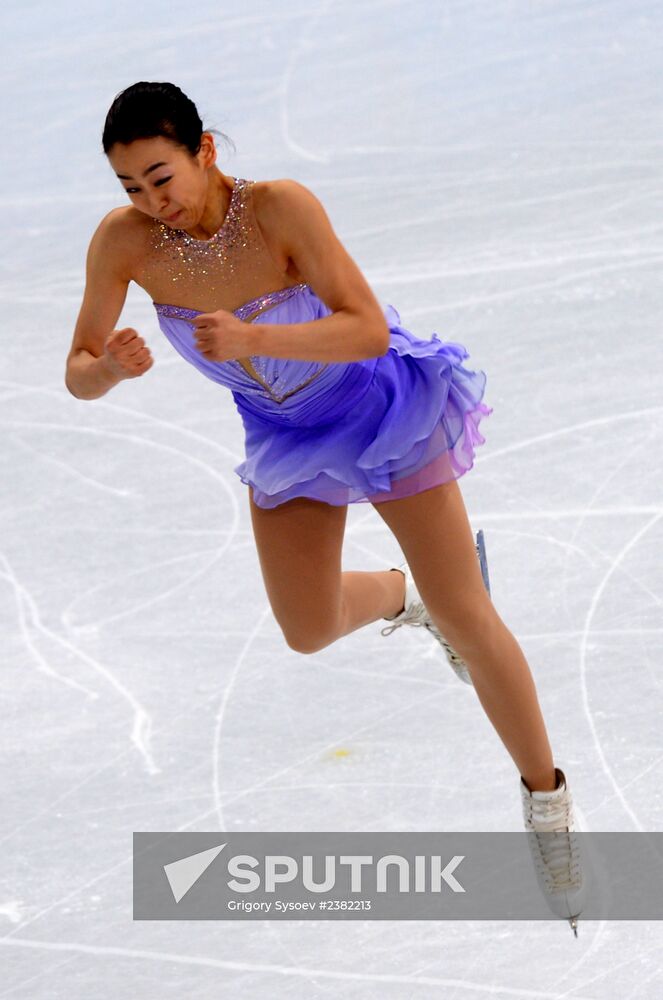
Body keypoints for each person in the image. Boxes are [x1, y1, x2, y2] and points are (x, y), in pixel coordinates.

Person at [64, 81, 587, 934]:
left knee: (469, 613)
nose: (150, 202)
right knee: (306, 628)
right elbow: (76, 371)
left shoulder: (279, 209)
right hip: (284, 434)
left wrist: (254, 337)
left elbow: (368, 328)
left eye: (161, 177)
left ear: (205, 150)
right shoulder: (125, 244)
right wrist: (108, 369)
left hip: (382, 409)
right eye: (130, 187)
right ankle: (399, 594)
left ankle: (547, 807)